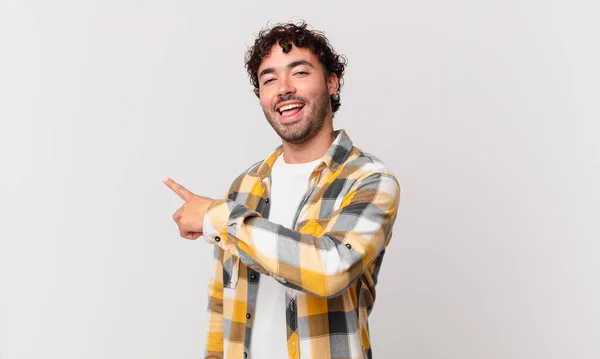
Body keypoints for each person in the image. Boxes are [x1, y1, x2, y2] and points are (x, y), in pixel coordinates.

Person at [163, 21, 401, 359]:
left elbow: (331, 268)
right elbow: (223, 305)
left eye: (299, 72)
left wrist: (220, 218)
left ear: (331, 82)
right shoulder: (244, 187)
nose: (283, 89)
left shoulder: (370, 180)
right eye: (269, 79)